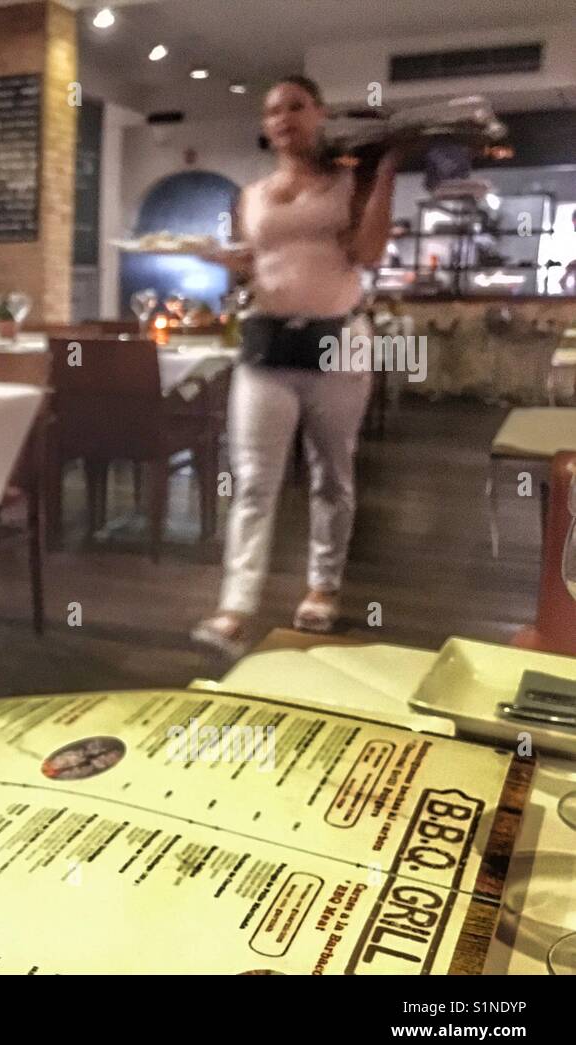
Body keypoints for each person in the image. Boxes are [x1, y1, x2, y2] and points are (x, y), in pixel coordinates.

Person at [191, 75, 401, 657]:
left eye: (296, 107)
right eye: (272, 111)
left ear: (319, 113)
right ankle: (235, 605)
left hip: (338, 341)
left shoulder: (349, 181)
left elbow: (367, 253)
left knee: (331, 473)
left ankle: (322, 588)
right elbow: (252, 266)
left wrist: (384, 177)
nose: (283, 118)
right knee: (254, 482)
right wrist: (229, 264)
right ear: (265, 126)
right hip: (265, 343)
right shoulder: (251, 195)